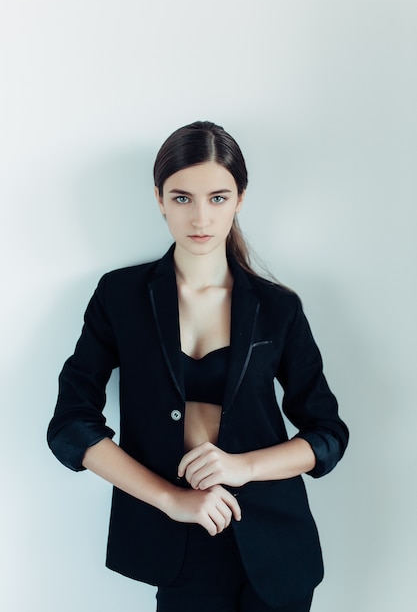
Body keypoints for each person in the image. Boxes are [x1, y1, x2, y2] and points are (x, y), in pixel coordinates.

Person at [47, 121, 349, 612]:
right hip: (177, 541)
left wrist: (241, 467)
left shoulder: (278, 308)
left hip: (276, 544)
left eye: (218, 197)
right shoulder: (120, 296)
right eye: (183, 198)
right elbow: (69, 427)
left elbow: (328, 435)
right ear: (160, 199)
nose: (201, 216)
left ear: (240, 199)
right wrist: (172, 499)